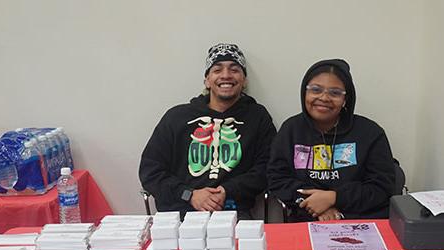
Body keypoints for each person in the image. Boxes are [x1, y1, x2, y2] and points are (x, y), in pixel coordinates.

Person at [139, 43, 276, 219]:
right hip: (179, 211)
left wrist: (227, 190)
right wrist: (189, 194)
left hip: (233, 210)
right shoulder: (176, 117)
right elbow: (150, 170)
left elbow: (267, 168)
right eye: (217, 70)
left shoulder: (257, 117)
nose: (226, 75)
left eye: (234, 69)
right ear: (207, 80)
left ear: (244, 80)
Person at [268, 59, 395, 222]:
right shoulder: (291, 130)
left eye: (335, 93)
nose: (324, 98)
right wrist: (313, 205)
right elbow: (277, 179)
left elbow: (382, 188)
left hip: (361, 219)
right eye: (315, 90)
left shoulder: (370, 133)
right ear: (304, 93)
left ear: (345, 99)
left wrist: (334, 198)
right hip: (306, 219)